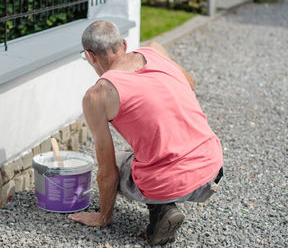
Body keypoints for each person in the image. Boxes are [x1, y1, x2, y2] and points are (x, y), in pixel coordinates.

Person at [68, 21, 223, 245]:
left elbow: (107, 170)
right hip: (212, 170)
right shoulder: (155, 50)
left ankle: (162, 210)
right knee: (153, 150)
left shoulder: (98, 95)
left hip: (174, 182)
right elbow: (189, 83)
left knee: (121, 161)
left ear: (90, 56)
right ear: (123, 43)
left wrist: (103, 217)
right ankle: (165, 205)